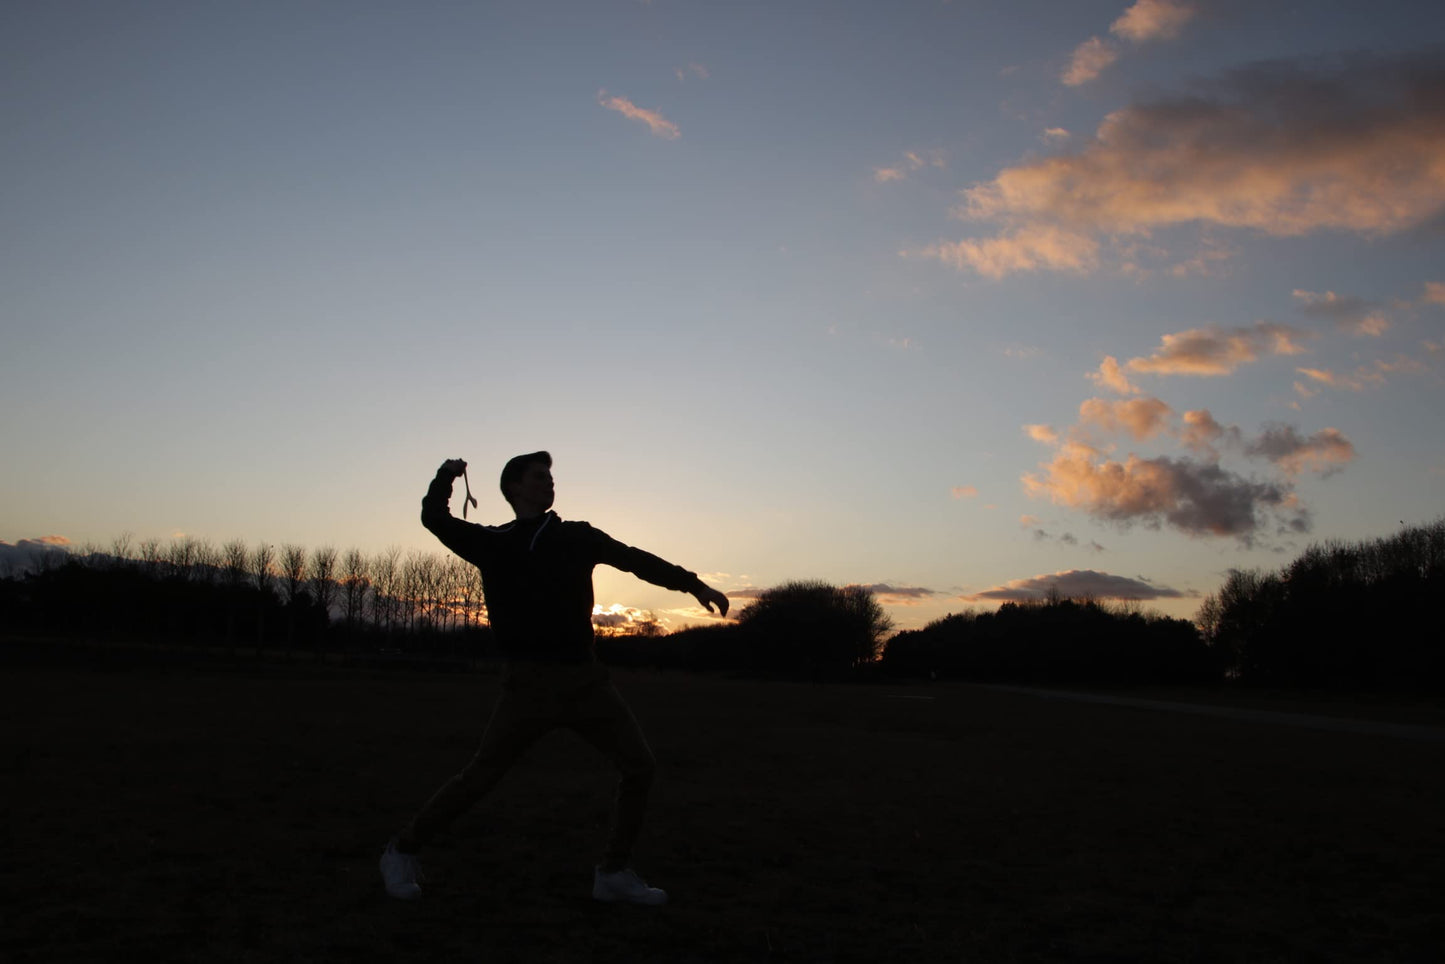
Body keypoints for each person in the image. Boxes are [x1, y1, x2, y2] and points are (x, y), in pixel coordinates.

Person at [380, 452, 729, 905]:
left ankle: (614, 872)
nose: (550, 484)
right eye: (540, 477)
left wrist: (694, 585)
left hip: (587, 683)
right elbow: (434, 517)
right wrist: (447, 474)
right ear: (514, 488)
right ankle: (401, 850)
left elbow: (633, 559)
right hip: (527, 687)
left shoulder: (577, 536)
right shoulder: (493, 542)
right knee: (481, 776)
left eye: (551, 478)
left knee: (639, 766)